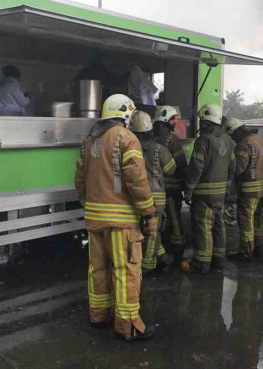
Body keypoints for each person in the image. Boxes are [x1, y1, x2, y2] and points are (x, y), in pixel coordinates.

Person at [74, 94, 158, 342]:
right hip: (122, 222)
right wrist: (149, 213)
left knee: (97, 268)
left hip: (94, 219)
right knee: (126, 270)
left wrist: (87, 203)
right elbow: (136, 181)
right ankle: (128, 325)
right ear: (125, 115)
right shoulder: (126, 138)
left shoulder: (89, 141)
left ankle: (98, 315)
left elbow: (79, 178)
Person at [180, 103, 236, 274]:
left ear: (204, 120)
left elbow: (196, 168)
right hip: (220, 195)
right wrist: (227, 186)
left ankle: (201, 263)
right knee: (219, 226)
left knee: (203, 227)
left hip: (204, 196)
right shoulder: (227, 140)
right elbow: (232, 166)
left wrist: (188, 190)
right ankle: (218, 261)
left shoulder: (203, 140)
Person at [130, 110, 176, 274]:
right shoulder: (159, 149)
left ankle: (159, 259)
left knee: (145, 230)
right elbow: (171, 170)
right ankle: (149, 265)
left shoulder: (129, 148)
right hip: (157, 198)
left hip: (137, 197)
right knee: (152, 231)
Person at [223, 117, 263, 261]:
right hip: (261, 189)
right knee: (257, 219)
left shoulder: (242, 144)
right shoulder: (258, 139)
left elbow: (239, 169)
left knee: (245, 220)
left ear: (235, 132)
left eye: (232, 135)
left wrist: (226, 171)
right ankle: (260, 249)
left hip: (248, 190)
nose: (233, 139)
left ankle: (246, 252)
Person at [153, 105, 188, 262]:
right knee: (175, 223)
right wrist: (188, 186)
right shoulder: (172, 140)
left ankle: (160, 252)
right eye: (173, 119)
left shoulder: (151, 140)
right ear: (166, 120)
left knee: (158, 224)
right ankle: (178, 254)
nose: (175, 122)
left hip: (155, 190)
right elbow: (181, 165)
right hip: (171, 191)